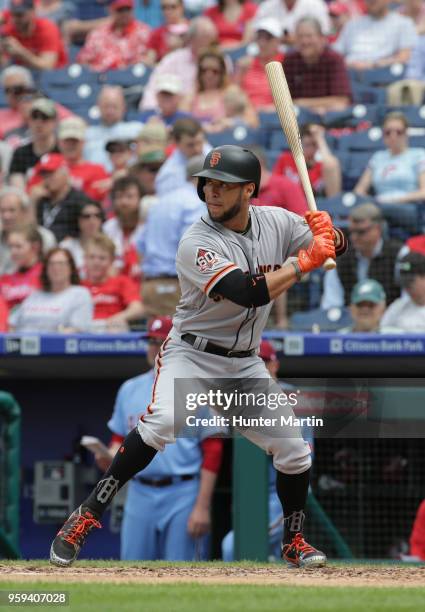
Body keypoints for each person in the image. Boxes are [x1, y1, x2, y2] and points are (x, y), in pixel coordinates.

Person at [50, 144, 347, 569]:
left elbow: (337, 246)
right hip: (192, 354)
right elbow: (247, 292)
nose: (211, 191)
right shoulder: (196, 241)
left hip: (244, 363)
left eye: (223, 185)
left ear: (249, 190)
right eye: (207, 183)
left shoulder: (278, 222)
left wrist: (330, 235)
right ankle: (86, 516)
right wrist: (304, 262)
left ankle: (293, 541)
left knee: (295, 451)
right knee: (161, 425)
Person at [93, 315, 224, 560]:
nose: (154, 347)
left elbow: (213, 451)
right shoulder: (129, 388)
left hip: (183, 491)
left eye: (160, 341)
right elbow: (118, 439)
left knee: (183, 573)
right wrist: (109, 457)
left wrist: (202, 506)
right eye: (151, 341)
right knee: (131, 570)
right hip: (139, 490)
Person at [137, 155, 206, 317]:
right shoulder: (195, 203)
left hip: (151, 284)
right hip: (177, 285)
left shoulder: (162, 200)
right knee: (179, 340)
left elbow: (140, 243)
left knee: (156, 339)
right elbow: (190, 248)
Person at [321, 203, 402, 309]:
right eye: (352, 232)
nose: (354, 237)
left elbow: (407, 301)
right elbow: (332, 305)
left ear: (378, 229)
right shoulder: (340, 260)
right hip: (351, 320)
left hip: (391, 320)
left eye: (361, 232)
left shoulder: (399, 254)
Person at [354, 112, 425, 232]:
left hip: (407, 206)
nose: (393, 136)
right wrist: (371, 201)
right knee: (375, 221)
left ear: (406, 133)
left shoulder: (418, 155)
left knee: (374, 218)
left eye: (399, 132)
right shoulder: (378, 157)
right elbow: (359, 190)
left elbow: (423, 192)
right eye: (388, 132)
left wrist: (394, 199)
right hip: (378, 206)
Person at [140, 16, 218, 110]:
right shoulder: (173, 59)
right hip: (172, 115)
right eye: (204, 38)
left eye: (211, 40)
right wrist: (151, 113)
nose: (208, 44)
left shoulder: (221, 62)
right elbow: (153, 89)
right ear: (191, 39)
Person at [10, 247, 93, 332]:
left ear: (71, 268)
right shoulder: (35, 295)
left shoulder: (79, 294)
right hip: (23, 341)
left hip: (55, 343)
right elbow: (12, 324)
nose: (56, 268)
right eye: (51, 264)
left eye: (61, 263)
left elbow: (78, 329)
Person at [283, 17, 351, 115]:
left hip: (329, 117)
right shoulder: (290, 60)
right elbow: (284, 101)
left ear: (321, 38)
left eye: (309, 36)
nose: (304, 41)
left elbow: (342, 101)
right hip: (297, 117)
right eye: (300, 36)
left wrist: (302, 103)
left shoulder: (334, 59)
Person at [180, 48, 258, 130]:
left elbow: (252, 121)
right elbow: (180, 124)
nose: (209, 75)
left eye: (214, 71)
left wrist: (231, 122)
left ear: (222, 73)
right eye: (204, 70)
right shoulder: (191, 96)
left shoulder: (232, 92)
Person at [82, 234, 144, 332]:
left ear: (111, 260)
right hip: (84, 330)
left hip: (112, 330)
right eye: (92, 257)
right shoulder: (78, 286)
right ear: (85, 259)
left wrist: (119, 317)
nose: (96, 262)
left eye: (102, 258)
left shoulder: (122, 282)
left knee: (117, 326)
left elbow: (138, 308)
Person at [333, 0, 417, 70]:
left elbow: (404, 57)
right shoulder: (352, 24)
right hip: (349, 73)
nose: (371, 1)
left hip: (382, 76)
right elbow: (335, 54)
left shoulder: (403, 23)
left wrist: (373, 64)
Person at [0, 66, 72, 145]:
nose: (12, 94)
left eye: (17, 89)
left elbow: (75, 124)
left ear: (28, 88)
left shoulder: (46, 106)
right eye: (7, 90)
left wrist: (36, 113)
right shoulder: (1, 115)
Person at [31, 153, 94, 242]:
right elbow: (30, 234)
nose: (47, 178)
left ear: (65, 172)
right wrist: (32, 202)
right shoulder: (41, 200)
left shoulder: (80, 201)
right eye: (44, 174)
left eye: (51, 173)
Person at [77, 0, 151, 72]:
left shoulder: (143, 31)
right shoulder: (98, 34)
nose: (124, 13)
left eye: (127, 9)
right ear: (111, 11)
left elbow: (149, 59)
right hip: (101, 78)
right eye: (120, 10)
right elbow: (83, 60)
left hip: (131, 78)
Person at [273, 124, 342, 198]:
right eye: (307, 145)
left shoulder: (320, 165)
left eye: (314, 145)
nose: (311, 149)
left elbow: (331, 164)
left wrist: (319, 139)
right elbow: (275, 184)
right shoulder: (285, 158)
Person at [84, 86, 143, 172]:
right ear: (98, 106)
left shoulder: (137, 130)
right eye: (106, 106)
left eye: (114, 106)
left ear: (124, 107)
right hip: (95, 180)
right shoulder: (87, 134)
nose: (110, 111)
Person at [0, 186, 56, 274]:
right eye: (2, 211)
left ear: (24, 211)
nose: (6, 216)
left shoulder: (45, 237)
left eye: (12, 210)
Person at [0, 0, 68, 69]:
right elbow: (4, 63)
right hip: (24, 72)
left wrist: (21, 52)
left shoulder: (47, 28)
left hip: (54, 74)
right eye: (12, 15)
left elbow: (48, 66)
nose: (15, 19)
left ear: (32, 12)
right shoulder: (9, 30)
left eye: (20, 15)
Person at [235, 17, 284, 113]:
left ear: (278, 40)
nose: (262, 43)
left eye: (268, 38)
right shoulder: (245, 64)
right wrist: (240, 72)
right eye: (259, 37)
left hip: (276, 114)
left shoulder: (286, 63)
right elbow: (235, 95)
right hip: (248, 114)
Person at [8, 98, 58, 190]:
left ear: (54, 122)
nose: (39, 122)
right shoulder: (20, 153)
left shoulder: (62, 150)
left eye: (44, 117)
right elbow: (18, 188)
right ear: (29, 121)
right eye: (34, 117)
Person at [103, 176, 145, 283]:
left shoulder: (148, 227)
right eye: (119, 197)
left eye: (129, 196)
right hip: (115, 284)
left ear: (141, 199)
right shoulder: (108, 227)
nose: (124, 202)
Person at [155, 118, 210, 196]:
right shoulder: (167, 176)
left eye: (199, 142)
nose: (197, 149)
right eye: (190, 145)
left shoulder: (212, 153)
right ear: (175, 143)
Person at [0, 224, 42, 313]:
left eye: (18, 246)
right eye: (10, 247)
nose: (13, 252)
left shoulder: (47, 275)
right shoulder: (5, 279)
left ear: (35, 247)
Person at [380, 251, 425, 332]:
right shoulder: (397, 307)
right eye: (405, 284)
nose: (407, 288)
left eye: (411, 283)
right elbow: (382, 333)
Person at [60, 201, 105, 277]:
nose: (92, 220)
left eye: (97, 216)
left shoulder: (111, 245)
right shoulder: (66, 247)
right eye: (86, 216)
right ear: (78, 220)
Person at [255, 0, 331, 44]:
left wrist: (299, 38)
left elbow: (324, 35)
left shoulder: (315, 4)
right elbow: (255, 34)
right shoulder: (267, 6)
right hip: (274, 54)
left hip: (306, 52)